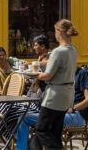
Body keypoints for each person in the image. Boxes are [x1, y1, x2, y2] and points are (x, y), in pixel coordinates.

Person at [31, 19, 79, 150]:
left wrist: (33, 73)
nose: (54, 35)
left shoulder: (59, 51)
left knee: (42, 129)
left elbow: (47, 76)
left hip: (55, 95)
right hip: (67, 94)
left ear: (60, 32)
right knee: (55, 131)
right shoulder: (73, 50)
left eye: (55, 31)